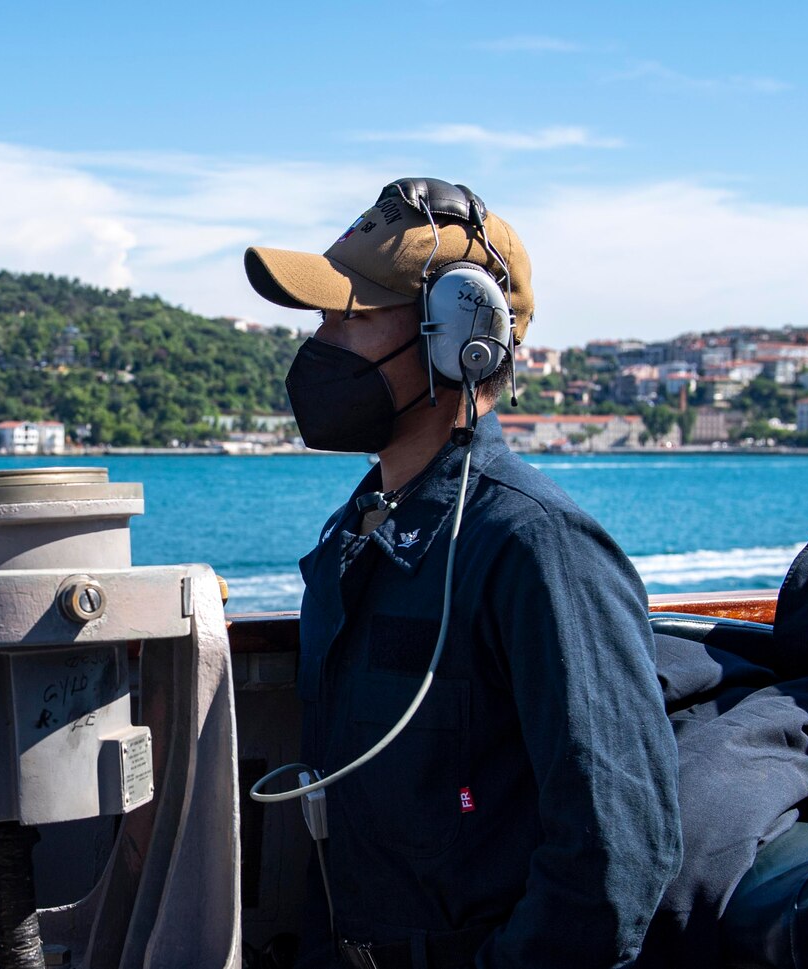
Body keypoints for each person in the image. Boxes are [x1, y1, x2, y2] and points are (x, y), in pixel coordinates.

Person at [243, 177, 682, 969]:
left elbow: (615, 854)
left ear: (460, 335)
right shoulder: (355, 536)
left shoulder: (538, 548)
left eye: (352, 319)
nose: (319, 345)